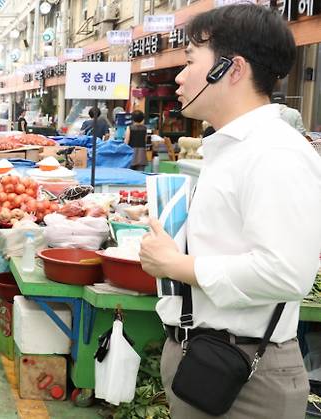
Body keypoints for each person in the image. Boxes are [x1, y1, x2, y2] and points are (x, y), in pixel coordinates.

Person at [139, 4, 321, 418]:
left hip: (244, 376)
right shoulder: (232, 148)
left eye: (189, 62)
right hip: (207, 360)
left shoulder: (275, 152)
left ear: (231, 69)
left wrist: (176, 264)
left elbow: (286, 273)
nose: (179, 77)